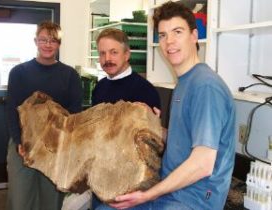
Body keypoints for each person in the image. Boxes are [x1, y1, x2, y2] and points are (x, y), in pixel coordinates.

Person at [96, 2, 235, 210]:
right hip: (169, 193)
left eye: (177, 32)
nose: (169, 41)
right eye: (162, 35)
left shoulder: (205, 86)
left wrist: (148, 195)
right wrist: (150, 126)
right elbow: (183, 139)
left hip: (192, 201)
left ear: (194, 36)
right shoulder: (184, 83)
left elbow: (203, 163)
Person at [6, 21, 82, 210]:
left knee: (51, 199)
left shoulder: (70, 75)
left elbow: (74, 113)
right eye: (43, 40)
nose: (48, 44)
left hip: (56, 147)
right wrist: (18, 142)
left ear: (59, 44)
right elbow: (11, 109)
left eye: (53, 40)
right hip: (24, 144)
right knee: (21, 198)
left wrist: (64, 145)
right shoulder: (19, 73)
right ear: (35, 41)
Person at [91, 28, 161, 209]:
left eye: (114, 52)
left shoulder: (145, 90)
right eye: (103, 53)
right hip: (100, 176)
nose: (107, 59)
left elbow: (152, 147)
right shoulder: (99, 87)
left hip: (130, 188)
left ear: (127, 54)